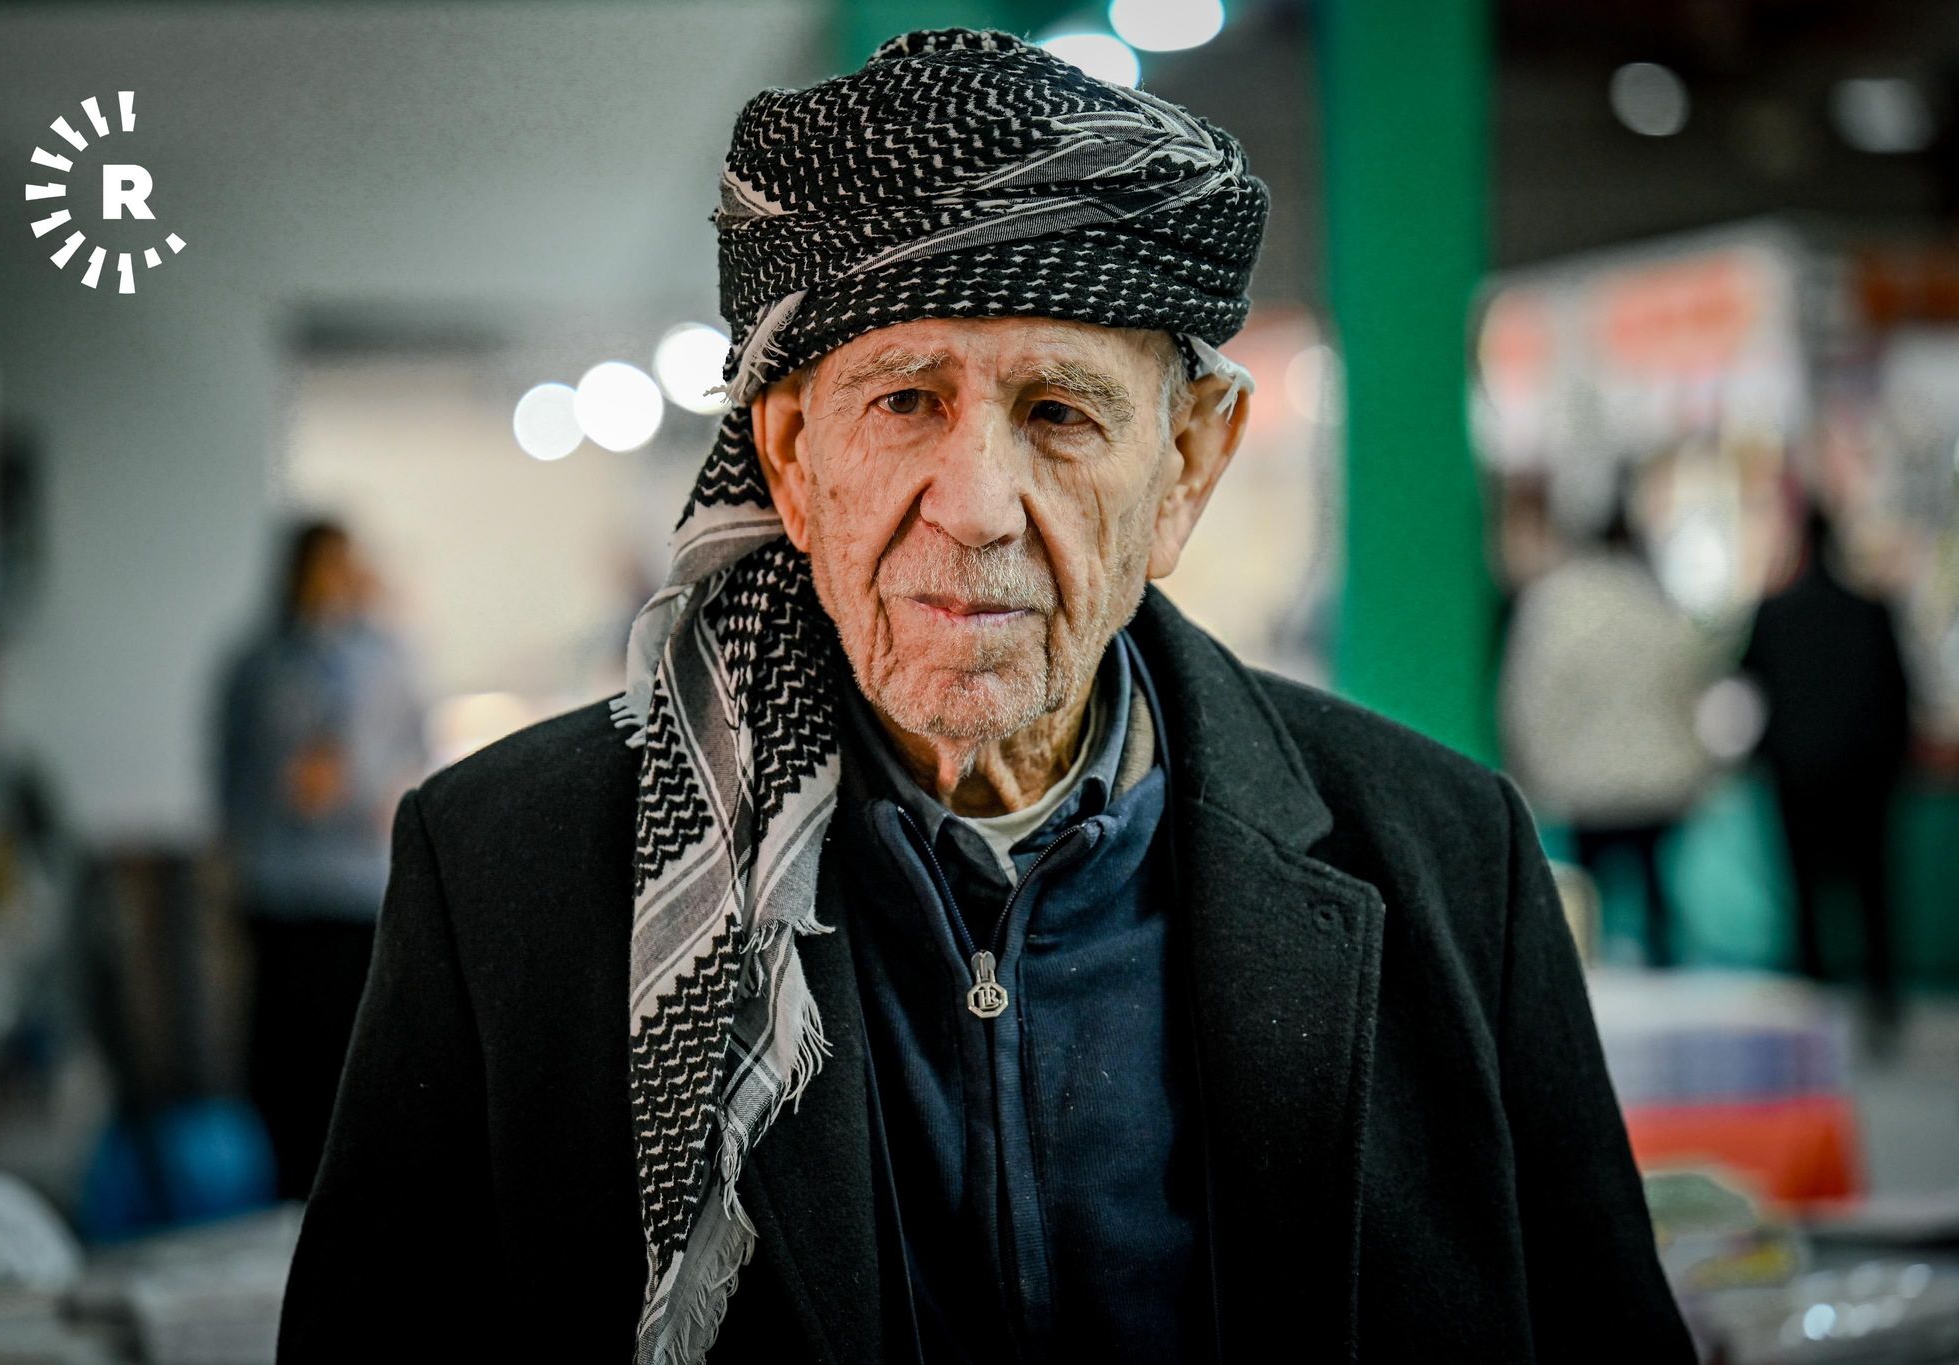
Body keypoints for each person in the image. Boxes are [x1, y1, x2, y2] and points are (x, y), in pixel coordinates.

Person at [280, 30, 1690, 1363]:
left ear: (1188, 464)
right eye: (903, 402)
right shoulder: (506, 880)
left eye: (1059, 414)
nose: (974, 507)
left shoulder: (1450, 860)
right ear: (791, 456)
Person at [214, 517, 428, 1201]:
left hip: (357, 891)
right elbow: (230, 777)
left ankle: (352, 1200)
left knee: (357, 1061)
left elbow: (413, 750)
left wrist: (369, 787)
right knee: (283, 1067)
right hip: (281, 892)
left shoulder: (385, 658)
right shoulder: (257, 664)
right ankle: (288, 1197)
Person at [1499, 495, 1722, 968]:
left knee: (1584, 903)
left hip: (1583, 785)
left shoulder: (1554, 602)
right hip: (1657, 780)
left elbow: (1530, 694)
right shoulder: (1656, 600)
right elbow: (1690, 685)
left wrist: (1532, 768)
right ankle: (1665, 974)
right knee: (1655, 895)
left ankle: (1582, 985)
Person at [1740, 504, 1912, 1028]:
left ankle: (1813, 1001)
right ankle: (1881, 994)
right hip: (1864, 775)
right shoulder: (1870, 611)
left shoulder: (1773, 614)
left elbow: (1745, 687)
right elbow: (1898, 694)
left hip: (1798, 776)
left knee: (1805, 893)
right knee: (1873, 891)